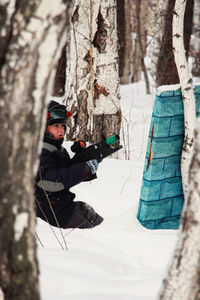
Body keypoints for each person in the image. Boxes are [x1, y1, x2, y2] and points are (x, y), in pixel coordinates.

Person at [35, 100, 103, 229]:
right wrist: (84, 169)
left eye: (62, 125)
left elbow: (67, 171)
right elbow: (52, 182)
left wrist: (83, 159)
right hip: (48, 213)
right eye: (55, 126)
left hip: (61, 205)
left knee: (93, 217)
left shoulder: (56, 149)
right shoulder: (37, 151)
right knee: (96, 231)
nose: (61, 130)